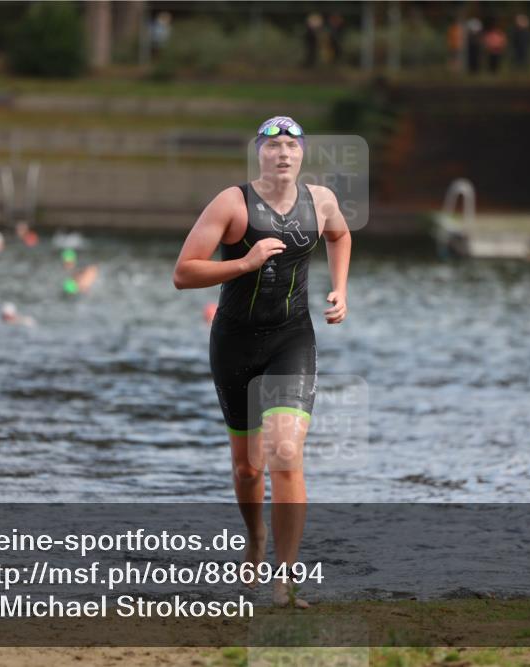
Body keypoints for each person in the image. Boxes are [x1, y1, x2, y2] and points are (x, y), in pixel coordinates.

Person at [173, 116, 351, 608]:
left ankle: (286, 581)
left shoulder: (322, 202)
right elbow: (184, 273)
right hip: (234, 343)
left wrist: (340, 288)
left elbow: (339, 236)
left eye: (292, 146)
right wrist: (245, 263)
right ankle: (255, 539)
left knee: (286, 454)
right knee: (247, 469)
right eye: (274, 146)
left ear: (302, 155)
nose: (284, 154)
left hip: (292, 339)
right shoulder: (232, 204)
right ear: (259, 153)